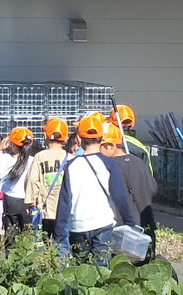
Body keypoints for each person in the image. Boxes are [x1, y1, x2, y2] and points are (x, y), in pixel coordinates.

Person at [51, 113, 138, 265]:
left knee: (81, 270)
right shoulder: (110, 164)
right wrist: (130, 222)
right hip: (103, 223)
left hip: (78, 226)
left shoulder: (70, 166)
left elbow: (64, 202)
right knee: (101, 269)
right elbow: (120, 196)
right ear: (102, 138)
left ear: (80, 139)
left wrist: (59, 233)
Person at [102, 119, 158, 258]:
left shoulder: (110, 166)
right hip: (145, 225)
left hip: (122, 231)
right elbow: (153, 188)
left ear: (110, 146)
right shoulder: (138, 161)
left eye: (99, 146)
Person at [27, 118, 71, 232]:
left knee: (44, 238)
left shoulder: (40, 156)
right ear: (65, 137)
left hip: (45, 208)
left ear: (45, 136)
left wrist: (30, 201)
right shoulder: (70, 158)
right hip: (66, 209)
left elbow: (33, 180)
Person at [0, 126, 37, 237]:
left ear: (13, 145)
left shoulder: (6, 159)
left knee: (10, 233)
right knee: (27, 233)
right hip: (28, 200)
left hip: (11, 199)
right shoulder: (33, 160)